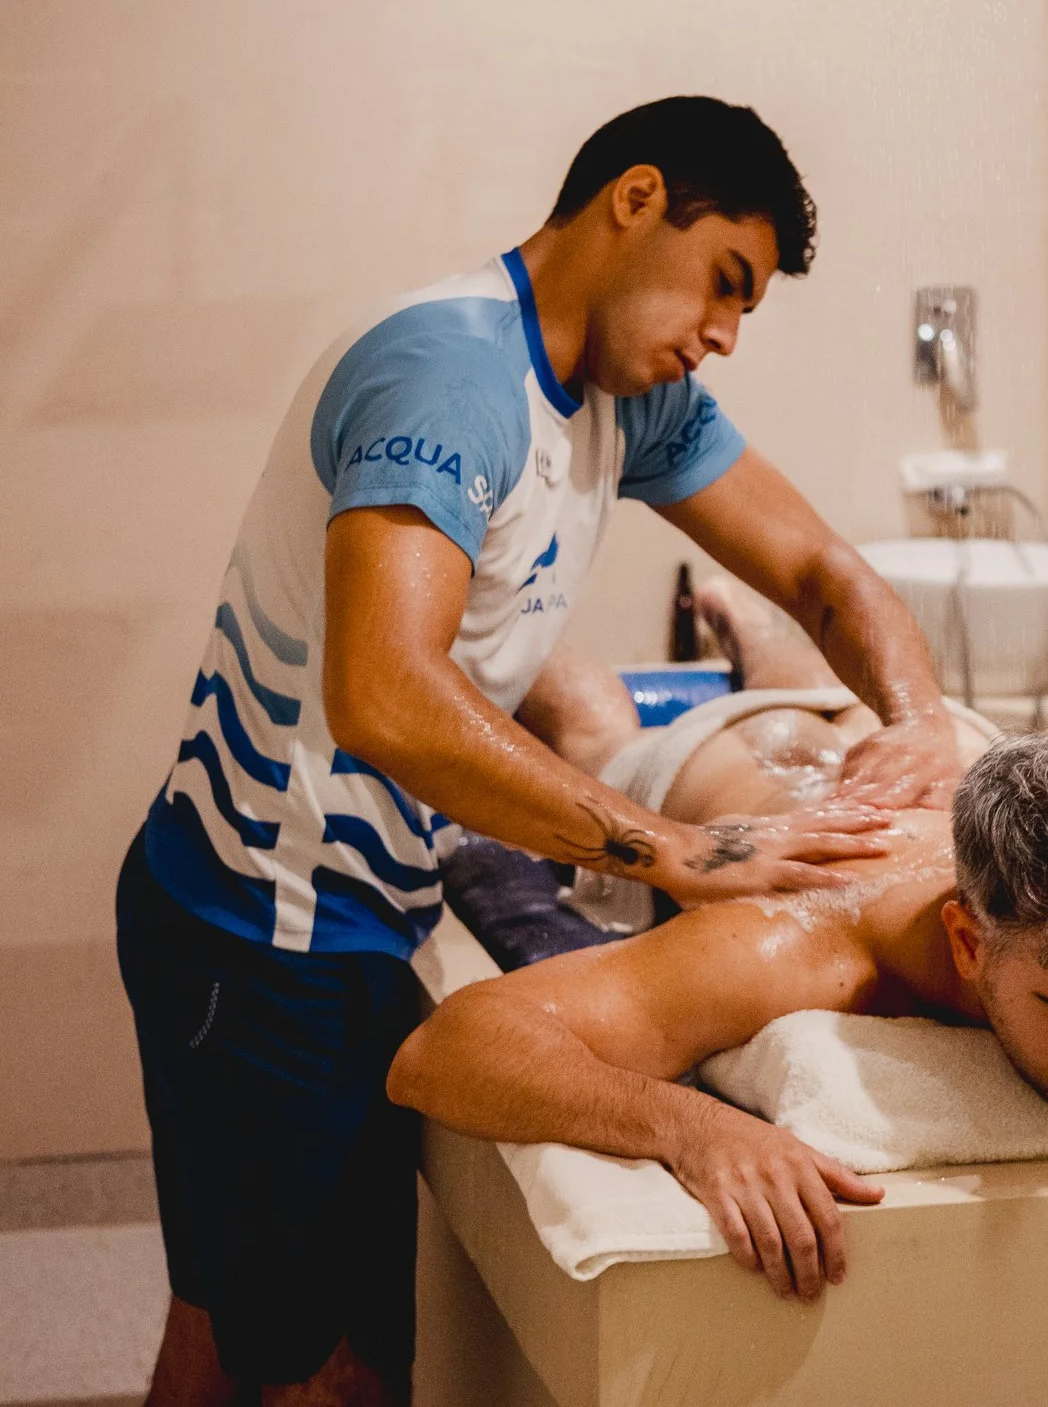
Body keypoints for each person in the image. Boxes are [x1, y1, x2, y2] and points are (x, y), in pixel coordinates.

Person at [116, 98, 958, 1407]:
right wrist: (679, 848)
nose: (724, 334)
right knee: (329, 1372)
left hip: (303, 908)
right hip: (269, 933)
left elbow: (820, 571)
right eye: (723, 280)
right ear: (635, 199)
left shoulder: (634, 399)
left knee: (228, 1324)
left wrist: (920, 722)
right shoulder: (450, 378)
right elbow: (386, 695)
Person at [389, 583, 1048, 1305]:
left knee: (813, 681)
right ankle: (507, 614)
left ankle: (751, 625)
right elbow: (443, 1051)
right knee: (595, 723)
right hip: (717, 766)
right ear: (968, 942)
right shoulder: (795, 938)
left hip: (928, 744)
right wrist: (694, 1129)